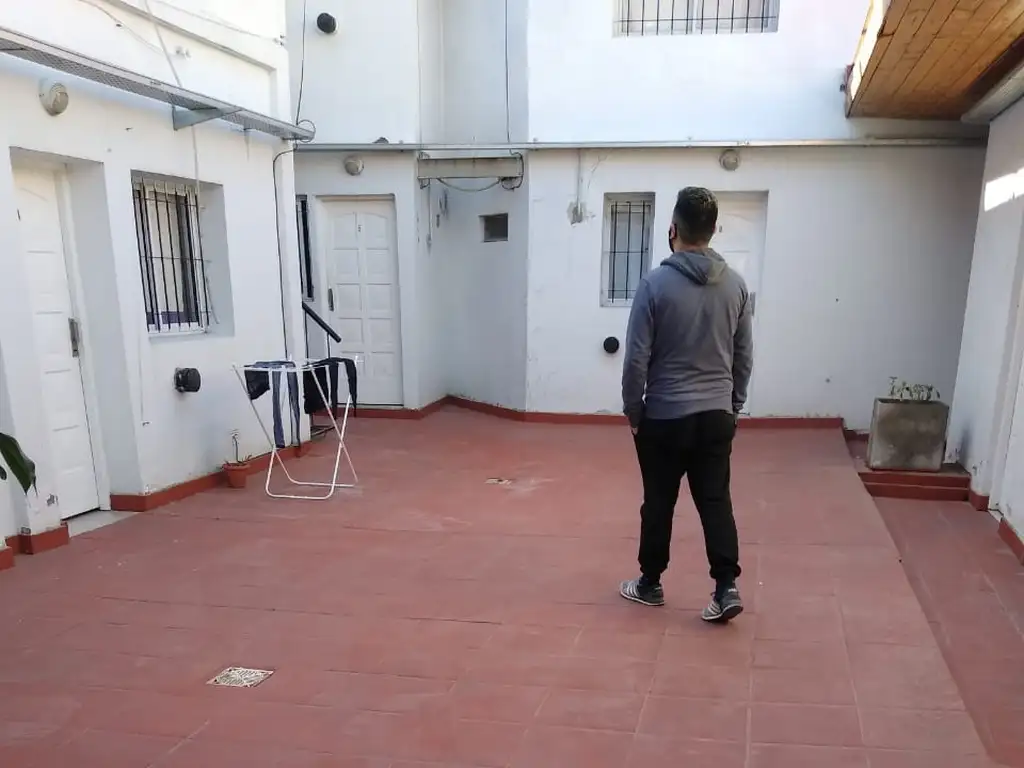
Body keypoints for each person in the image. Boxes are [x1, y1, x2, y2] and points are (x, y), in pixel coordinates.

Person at [619, 187, 753, 623]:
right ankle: (725, 587)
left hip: (664, 416)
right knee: (715, 500)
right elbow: (743, 356)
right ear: (713, 231)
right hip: (716, 415)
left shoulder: (654, 285)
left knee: (659, 501)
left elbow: (636, 358)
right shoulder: (736, 286)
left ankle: (650, 583)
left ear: (673, 229)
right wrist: (733, 405)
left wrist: (634, 412)